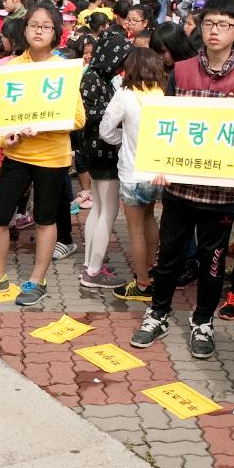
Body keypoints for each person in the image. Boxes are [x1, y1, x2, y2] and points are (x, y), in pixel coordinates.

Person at [129, 0, 234, 357]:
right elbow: (165, 125)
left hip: (222, 195)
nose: (214, 30)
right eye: (208, 24)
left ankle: (202, 321)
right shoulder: (182, 71)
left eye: (223, 24)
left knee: (213, 262)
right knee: (169, 256)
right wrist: (158, 160)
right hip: (179, 189)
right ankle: (157, 313)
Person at [0, 2, 85, 306]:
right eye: (33, 25)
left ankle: (37, 280)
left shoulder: (63, 68)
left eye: (46, 26)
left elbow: (79, 119)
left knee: (44, 218)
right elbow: (2, 121)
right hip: (16, 156)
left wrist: (43, 125)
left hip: (51, 159)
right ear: (24, 29)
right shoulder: (12, 68)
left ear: (56, 33)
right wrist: (8, 139)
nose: (39, 30)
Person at [98, 47, 167, 296]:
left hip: (133, 173)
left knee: (135, 230)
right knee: (150, 219)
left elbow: (105, 130)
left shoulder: (126, 95)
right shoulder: (164, 93)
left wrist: (122, 138)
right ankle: (153, 268)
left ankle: (142, 283)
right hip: (159, 172)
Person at [78, 29, 133, 290]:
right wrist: (118, 110)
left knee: (99, 210)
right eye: (121, 59)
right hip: (103, 151)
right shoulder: (93, 78)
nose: (123, 65)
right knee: (107, 212)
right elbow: (89, 113)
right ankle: (94, 271)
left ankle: (90, 264)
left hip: (96, 151)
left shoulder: (99, 76)